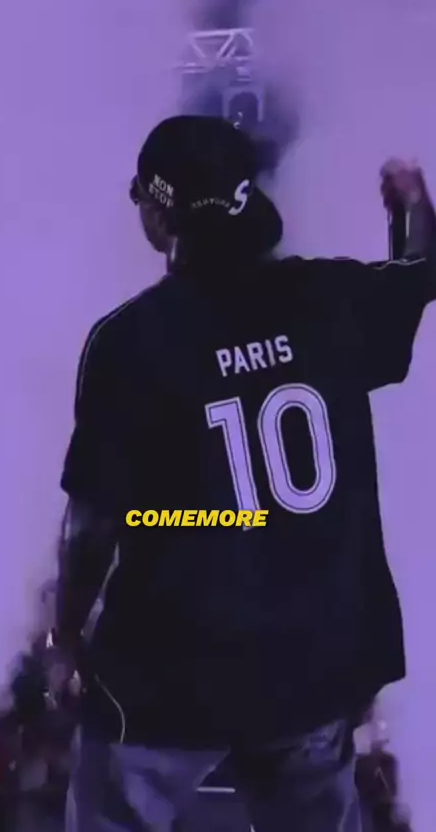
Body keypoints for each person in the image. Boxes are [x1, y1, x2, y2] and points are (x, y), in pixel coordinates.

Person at [54, 115, 436, 832]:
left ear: (161, 213)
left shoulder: (127, 343)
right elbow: (419, 275)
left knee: (114, 807)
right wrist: (412, 204)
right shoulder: (333, 299)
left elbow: (92, 524)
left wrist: (66, 638)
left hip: (167, 677)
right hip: (313, 665)